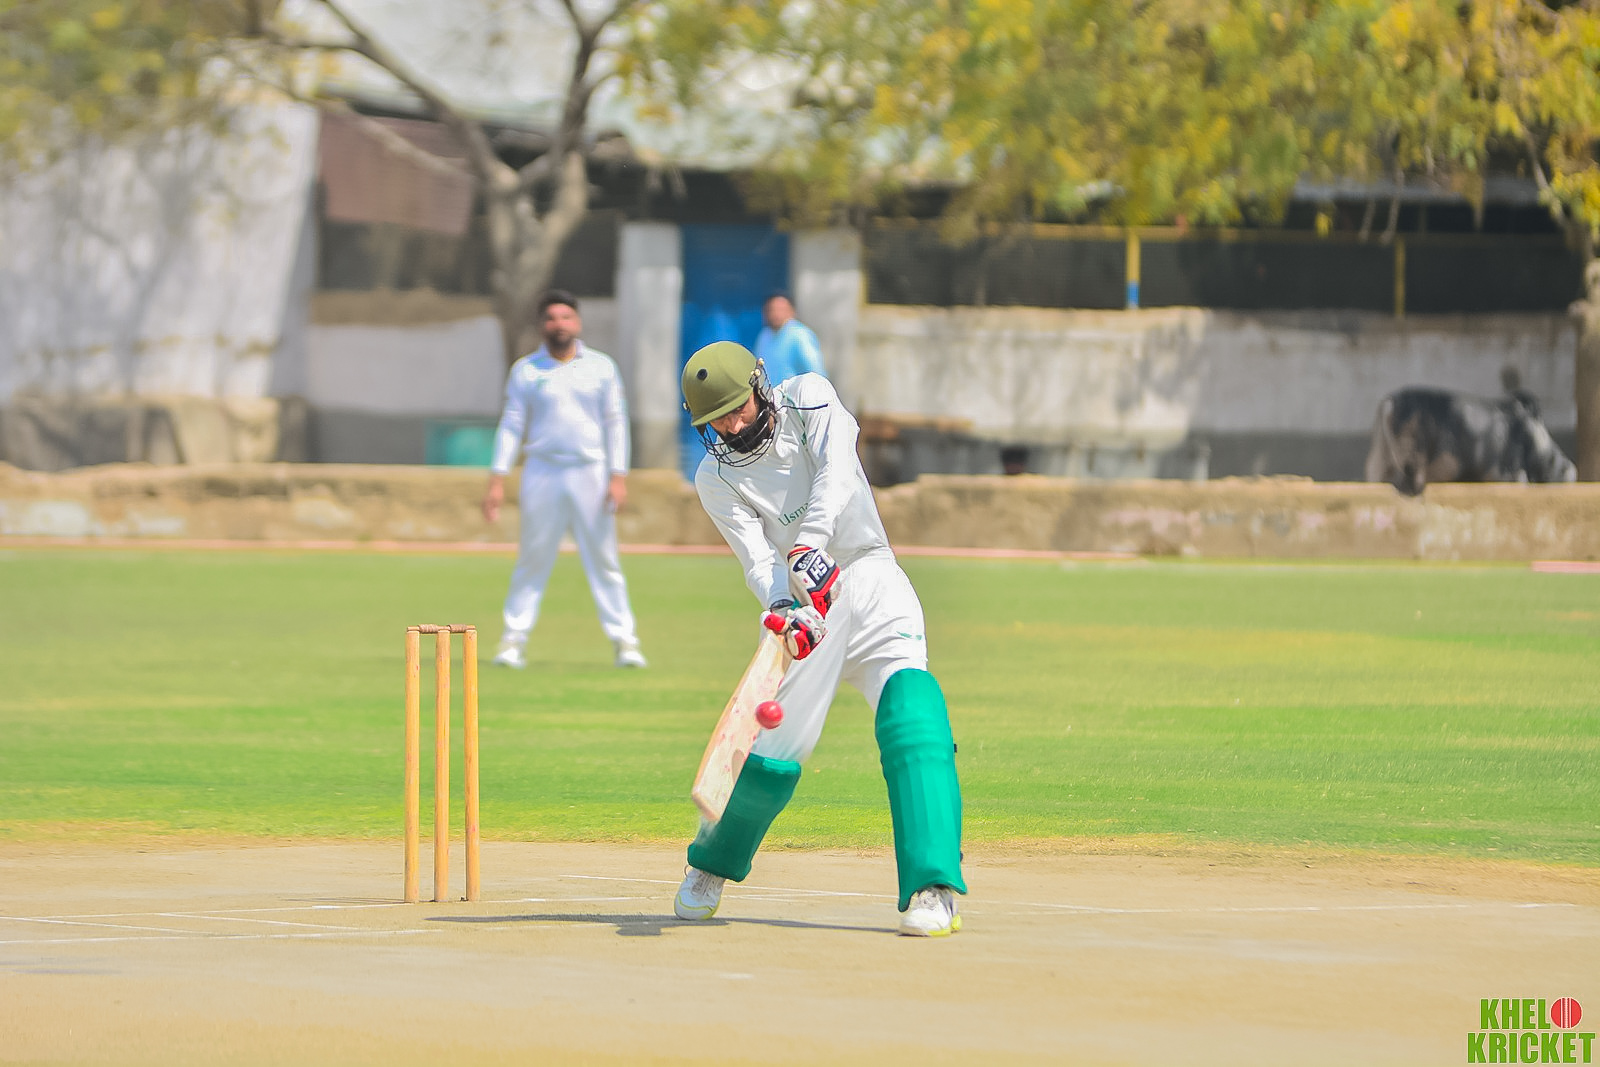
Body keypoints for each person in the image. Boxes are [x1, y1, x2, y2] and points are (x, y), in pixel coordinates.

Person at [672, 341, 966, 937]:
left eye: (737, 409)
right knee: (773, 753)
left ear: (759, 386)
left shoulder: (808, 397)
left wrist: (809, 543)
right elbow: (758, 560)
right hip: (810, 608)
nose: (732, 428)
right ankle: (712, 864)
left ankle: (934, 886)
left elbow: (836, 471)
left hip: (871, 572)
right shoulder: (714, 477)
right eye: (716, 421)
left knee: (913, 715)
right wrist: (783, 606)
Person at [482, 290, 646, 670]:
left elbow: (616, 422)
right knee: (532, 557)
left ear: (578, 322)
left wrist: (618, 476)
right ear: (542, 325)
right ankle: (513, 639)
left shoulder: (601, 367)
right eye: (552, 318)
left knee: (604, 560)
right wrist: (497, 479)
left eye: (566, 317)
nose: (559, 325)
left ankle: (625, 642)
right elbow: (512, 424)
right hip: (542, 471)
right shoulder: (527, 370)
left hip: (590, 471)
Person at [752, 291, 825, 384]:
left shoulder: (800, 335)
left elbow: (816, 372)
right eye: (771, 309)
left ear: (792, 311)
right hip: (770, 392)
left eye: (781, 309)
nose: (776, 314)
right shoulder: (764, 336)